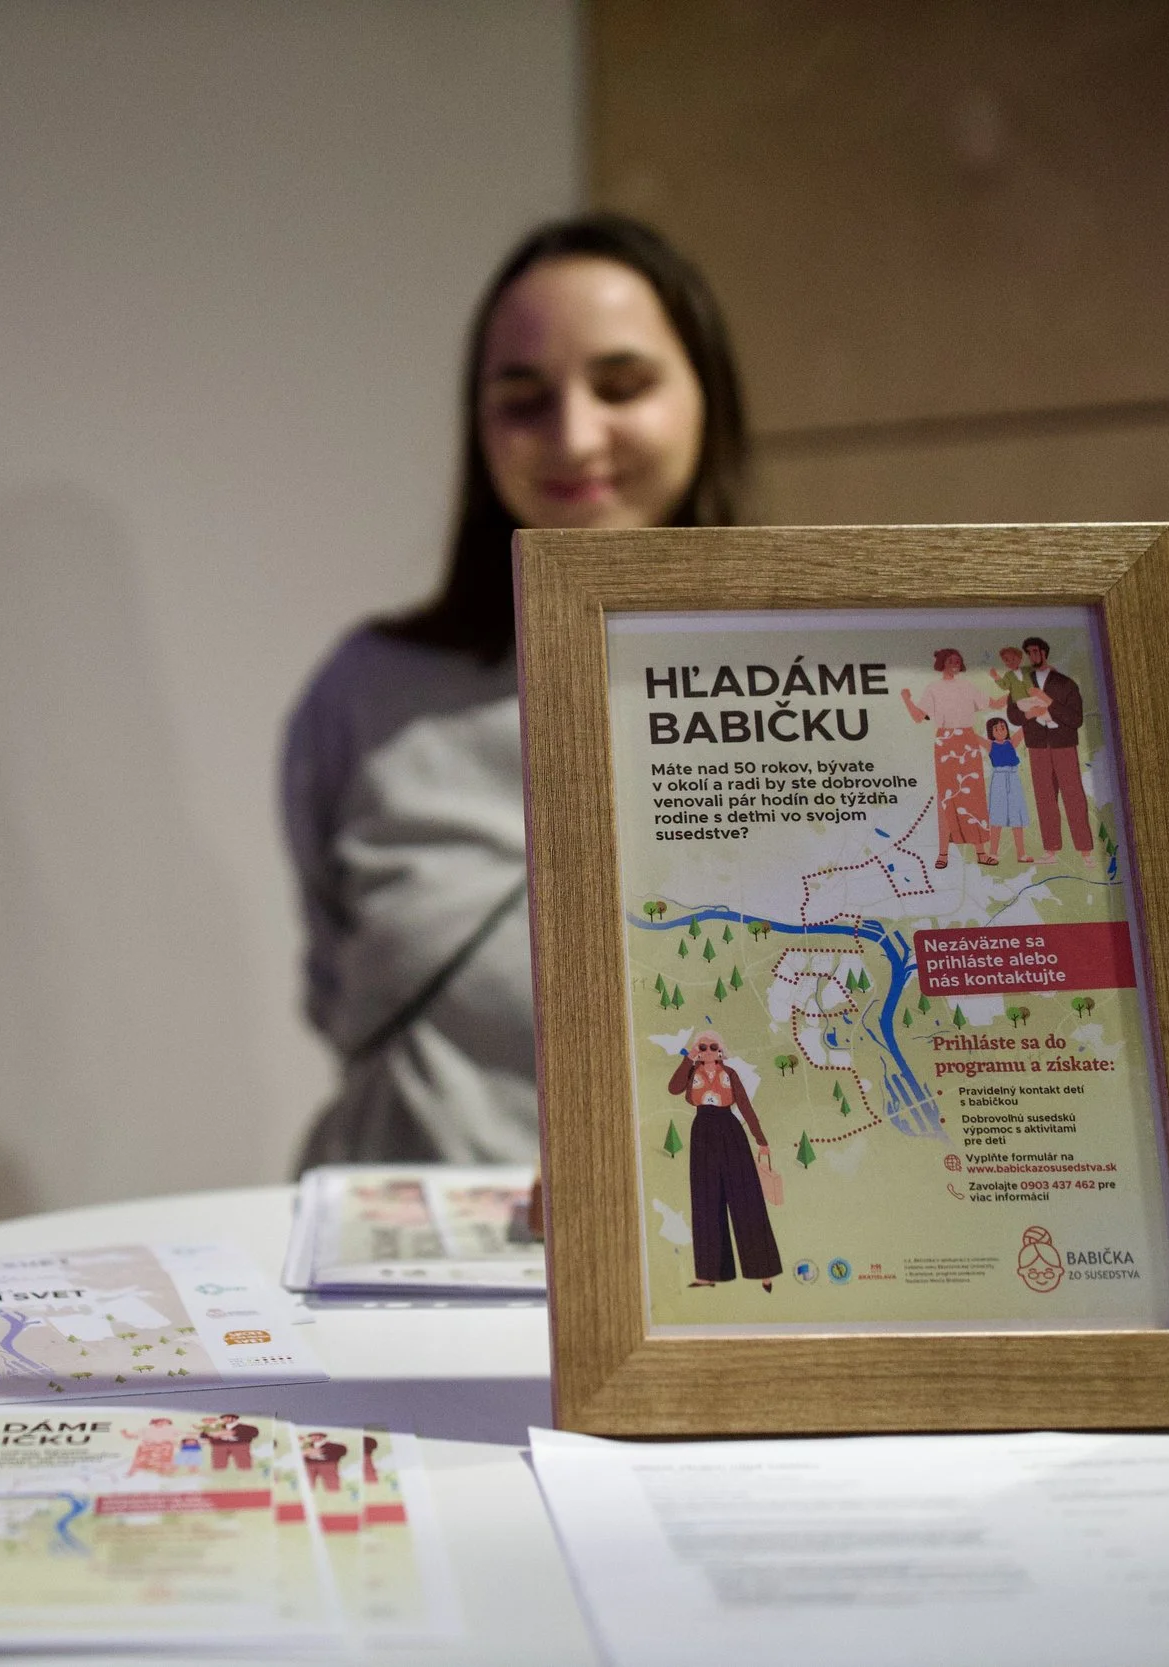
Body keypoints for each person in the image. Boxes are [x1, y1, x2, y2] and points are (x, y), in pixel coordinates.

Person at [282, 213, 748, 1166]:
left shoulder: (814, 681)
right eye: (524, 399)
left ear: (707, 396)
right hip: (413, 1212)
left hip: (705, 1222)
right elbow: (334, 986)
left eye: (622, 385)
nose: (573, 437)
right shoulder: (365, 694)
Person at [665, 1030, 780, 1290]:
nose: (707, 1051)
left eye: (712, 1046)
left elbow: (745, 1106)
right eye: (702, 1046)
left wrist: (761, 1140)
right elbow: (673, 1088)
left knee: (746, 1198)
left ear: (720, 1050)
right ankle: (709, 1273)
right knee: (706, 1200)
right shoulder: (691, 1072)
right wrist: (688, 1058)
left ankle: (764, 1271)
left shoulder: (729, 1074)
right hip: (702, 1133)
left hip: (730, 1130)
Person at [900, 649, 1003, 868]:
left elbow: (995, 703)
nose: (955, 663)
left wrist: (1018, 694)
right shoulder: (933, 688)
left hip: (967, 741)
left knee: (973, 796)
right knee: (946, 798)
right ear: (942, 663)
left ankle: (980, 852)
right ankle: (943, 853)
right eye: (950, 660)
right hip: (946, 742)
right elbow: (918, 717)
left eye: (958, 660)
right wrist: (906, 699)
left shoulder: (968, 686)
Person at [1006, 635, 1093, 863]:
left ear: (1045, 652)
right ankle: (1051, 850)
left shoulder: (1065, 683)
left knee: (1074, 795)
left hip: (1064, 745)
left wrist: (1048, 702)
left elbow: (1076, 719)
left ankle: (1085, 850)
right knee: (1044, 798)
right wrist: (1029, 713)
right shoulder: (1021, 682)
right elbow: (1013, 715)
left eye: (1036, 651)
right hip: (1037, 747)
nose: (1032, 656)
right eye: (1029, 652)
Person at [983, 716, 1031, 863]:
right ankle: (993, 852)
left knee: (1017, 818)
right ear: (991, 732)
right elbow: (974, 737)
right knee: (997, 817)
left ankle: (1021, 854)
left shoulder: (1011, 743)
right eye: (996, 729)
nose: (1000, 731)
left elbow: (1023, 729)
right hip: (998, 781)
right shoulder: (990, 745)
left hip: (1013, 780)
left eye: (1003, 728)